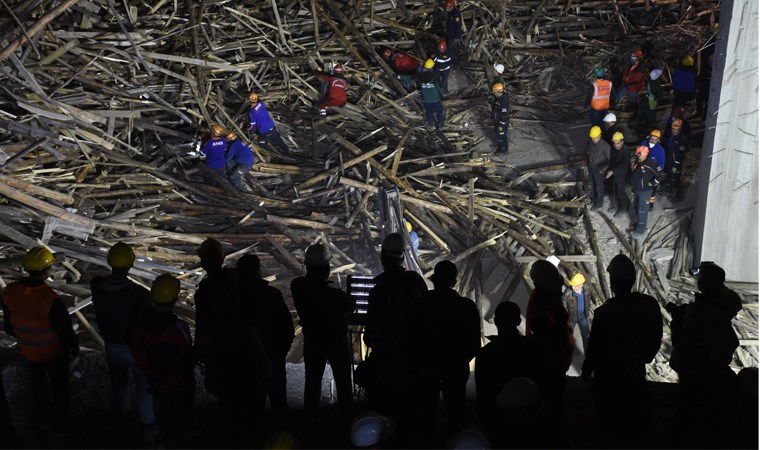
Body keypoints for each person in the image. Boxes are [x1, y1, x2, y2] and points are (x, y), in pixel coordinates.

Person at [194, 238, 270, 448]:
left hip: (223, 353)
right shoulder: (236, 280)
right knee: (247, 403)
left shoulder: (206, 291)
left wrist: (201, 350)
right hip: (243, 353)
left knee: (229, 403)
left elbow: (202, 326)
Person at [581, 254, 662, 447]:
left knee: (609, 419)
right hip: (634, 371)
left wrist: (587, 369)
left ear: (612, 282)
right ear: (633, 280)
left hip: (608, 377)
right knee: (635, 415)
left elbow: (595, 347)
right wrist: (645, 355)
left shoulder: (605, 313)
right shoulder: (649, 305)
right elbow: (656, 335)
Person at [2, 246, 79, 435]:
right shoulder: (50, 299)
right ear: (47, 271)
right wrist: (74, 348)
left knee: (38, 387)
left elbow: (9, 327)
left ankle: (45, 420)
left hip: (29, 351)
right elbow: (65, 331)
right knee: (59, 387)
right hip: (54, 353)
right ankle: (65, 423)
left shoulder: (10, 292)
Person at [668, 261, 742, 448]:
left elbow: (682, 345)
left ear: (703, 284)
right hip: (716, 371)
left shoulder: (699, 312)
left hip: (698, 376)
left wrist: (677, 322)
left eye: (700, 278)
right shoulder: (724, 301)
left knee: (687, 422)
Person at [364, 232, 427, 444]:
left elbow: (370, 334)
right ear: (403, 257)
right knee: (408, 417)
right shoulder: (416, 283)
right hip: (412, 363)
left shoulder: (380, 289)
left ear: (383, 257)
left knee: (384, 412)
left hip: (386, 363)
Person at [291, 244, 355, 442]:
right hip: (336, 341)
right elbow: (350, 307)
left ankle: (311, 424)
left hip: (314, 340)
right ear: (327, 268)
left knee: (312, 383)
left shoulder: (298, 287)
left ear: (307, 266)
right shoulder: (336, 296)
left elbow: (307, 286)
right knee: (344, 383)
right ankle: (346, 423)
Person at [90, 242, 155, 431]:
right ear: (131, 264)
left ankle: (124, 419)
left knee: (119, 384)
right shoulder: (141, 295)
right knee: (143, 385)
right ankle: (148, 421)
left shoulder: (97, 285)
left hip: (112, 344)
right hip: (135, 348)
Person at [414, 261, 481, 441]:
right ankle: (457, 442)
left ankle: (425, 444)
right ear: (454, 282)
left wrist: (423, 363)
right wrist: (457, 362)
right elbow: (474, 343)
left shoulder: (420, 306)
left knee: (426, 415)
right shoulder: (467, 307)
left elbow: (412, 339)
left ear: (434, 281)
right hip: (456, 369)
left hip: (427, 368)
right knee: (456, 414)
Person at [131, 274, 195, 449]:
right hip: (179, 382)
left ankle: (166, 440)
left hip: (156, 381)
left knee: (164, 412)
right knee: (182, 416)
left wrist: (151, 375)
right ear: (175, 298)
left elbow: (139, 354)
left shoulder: (141, 327)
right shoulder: (178, 328)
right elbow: (187, 356)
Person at [237, 254, 294, 433]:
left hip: (246, 362)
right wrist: (280, 352)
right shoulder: (271, 295)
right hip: (273, 357)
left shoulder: (235, 299)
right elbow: (287, 327)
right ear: (259, 271)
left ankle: (253, 438)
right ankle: (282, 438)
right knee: (279, 404)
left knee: (252, 407)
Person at [475, 301, 539, 444]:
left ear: (496, 321)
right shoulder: (533, 349)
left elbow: (483, 394)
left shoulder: (486, 354)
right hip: (530, 419)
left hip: (498, 420)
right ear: (518, 320)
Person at [524, 260, 572, 443]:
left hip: (553, 362)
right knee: (551, 403)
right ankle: (552, 437)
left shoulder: (544, 298)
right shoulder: (543, 311)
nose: (560, 288)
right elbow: (552, 341)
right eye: (557, 285)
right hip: (549, 365)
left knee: (552, 402)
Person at [629, 145, 664, 240]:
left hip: (645, 191)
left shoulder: (651, 163)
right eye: (637, 154)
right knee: (637, 207)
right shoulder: (639, 161)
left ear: (645, 154)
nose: (638, 155)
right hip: (637, 190)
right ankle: (640, 224)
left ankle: (640, 232)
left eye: (639, 154)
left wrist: (652, 184)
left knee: (642, 211)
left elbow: (661, 175)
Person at [247, 92, 291, 156]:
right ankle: (287, 153)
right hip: (272, 127)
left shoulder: (252, 112)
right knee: (279, 142)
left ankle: (269, 157)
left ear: (249, 100)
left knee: (263, 146)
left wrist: (249, 128)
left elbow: (253, 126)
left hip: (264, 132)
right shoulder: (261, 104)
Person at [662, 118, 691, 202]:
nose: (674, 131)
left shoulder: (681, 140)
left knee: (675, 179)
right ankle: (669, 190)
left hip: (675, 164)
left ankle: (678, 196)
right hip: (668, 160)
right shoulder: (671, 136)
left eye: (676, 129)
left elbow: (680, 155)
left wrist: (676, 166)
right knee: (668, 175)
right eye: (673, 129)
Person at [562, 273, 590, 353]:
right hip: (572, 318)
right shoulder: (567, 293)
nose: (573, 287)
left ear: (581, 285)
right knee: (569, 336)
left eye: (575, 285)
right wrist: (567, 318)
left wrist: (586, 312)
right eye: (572, 285)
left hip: (583, 316)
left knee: (585, 336)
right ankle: (568, 351)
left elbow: (588, 300)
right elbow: (564, 307)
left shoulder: (587, 289)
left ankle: (587, 353)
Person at [605, 131, 630, 217]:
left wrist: (613, 171)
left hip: (622, 175)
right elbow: (612, 160)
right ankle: (616, 205)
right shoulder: (614, 148)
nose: (616, 145)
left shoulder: (626, 151)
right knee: (614, 190)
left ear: (622, 142)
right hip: (614, 173)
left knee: (620, 192)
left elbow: (624, 165)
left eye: (618, 143)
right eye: (614, 143)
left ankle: (623, 208)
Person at [616, 49, 647, 116]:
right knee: (618, 96)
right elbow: (626, 74)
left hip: (633, 89)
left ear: (638, 59)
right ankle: (614, 108)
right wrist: (624, 81)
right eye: (632, 58)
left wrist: (626, 83)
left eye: (633, 58)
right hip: (626, 86)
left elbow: (636, 81)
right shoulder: (632, 65)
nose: (632, 59)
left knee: (633, 102)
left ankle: (636, 113)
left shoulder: (640, 68)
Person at [640, 130, 665, 210]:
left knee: (652, 189)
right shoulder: (644, 143)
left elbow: (661, 165)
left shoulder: (660, 151)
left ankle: (650, 204)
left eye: (655, 139)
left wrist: (657, 177)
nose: (652, 141)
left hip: (653, 173)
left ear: (658, 140)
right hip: (644, 170)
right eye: (651, 138)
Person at [418, 59, 446, 130]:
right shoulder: (434, 76)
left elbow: (410, 78)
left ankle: (431, 125)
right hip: (435, 98)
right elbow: (439, 87)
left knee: (429, 112)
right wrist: (443, 95)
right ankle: (441, 125)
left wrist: (399, 76)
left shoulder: (420, 76)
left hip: (426, 99)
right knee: (439, 111)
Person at [587, 125, 610, 210]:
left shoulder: (605, 146)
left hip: (599, 170)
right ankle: (594, 199)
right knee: (593, 185)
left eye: (595, 138)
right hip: (592, 167)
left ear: (600, 136)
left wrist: (603, 169)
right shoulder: (592, 142)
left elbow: (610, 160)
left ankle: (599, 204)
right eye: (592, 137)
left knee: (599, 187)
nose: (593, 139)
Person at [489, 82, 510, 154]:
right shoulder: (499, 97)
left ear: (498, 91)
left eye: (494, 92)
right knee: (499, 134)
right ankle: (500, 146)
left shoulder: (504, 101)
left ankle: (503, 150)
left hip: (502, 122)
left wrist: (501, 124)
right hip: (497, 120)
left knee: (500, 135)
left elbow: (504, 115)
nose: (494, 94)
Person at [444, 0, 462, 67]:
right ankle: (455, 62)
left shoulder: (456, 13)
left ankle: (454, 64)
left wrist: (457, 37)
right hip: (449, 34)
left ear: (452, 6)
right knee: (453, 49)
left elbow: (458, 26)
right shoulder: (450, 12)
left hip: (453, 36)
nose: (446, 9)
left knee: (451, 50)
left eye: (448, 8)